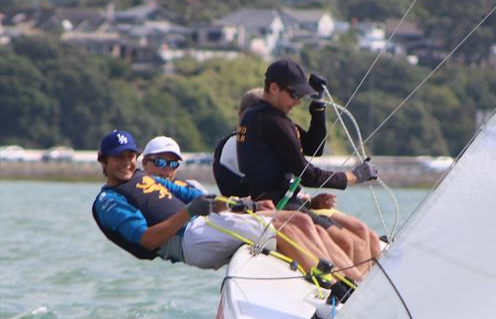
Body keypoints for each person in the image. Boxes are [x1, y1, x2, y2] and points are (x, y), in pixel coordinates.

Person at [91, 129, 363, 283]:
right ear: (103, 160)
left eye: (130, 156)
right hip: (188, 241)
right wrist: (191, 211)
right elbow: (147, 240)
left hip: (201, 225)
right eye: (118, 158)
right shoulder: (109, 201)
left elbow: (193, 198)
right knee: (279, 230)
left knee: (298, 220)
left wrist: (242, 205)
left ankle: (351, 277)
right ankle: (333, 284)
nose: (126, 163)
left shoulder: (144, 179)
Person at [236, 59, 382, 265]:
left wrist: (318, 105)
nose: (297, 102)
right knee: (352, 245)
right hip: (280, 204)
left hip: (289, 201)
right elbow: (308, 175)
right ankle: (352, 294)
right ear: (274, 88)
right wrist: (354, 176)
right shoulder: (272, 121)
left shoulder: (262, 116)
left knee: (359, 236)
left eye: (301, 96)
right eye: (294, 94)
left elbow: (314, 147)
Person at [142, 135, 208, 192]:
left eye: (173, 164)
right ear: (144, 163)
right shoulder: (133, 190)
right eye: (160, 162)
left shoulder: (192, 188)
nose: (168, 168)